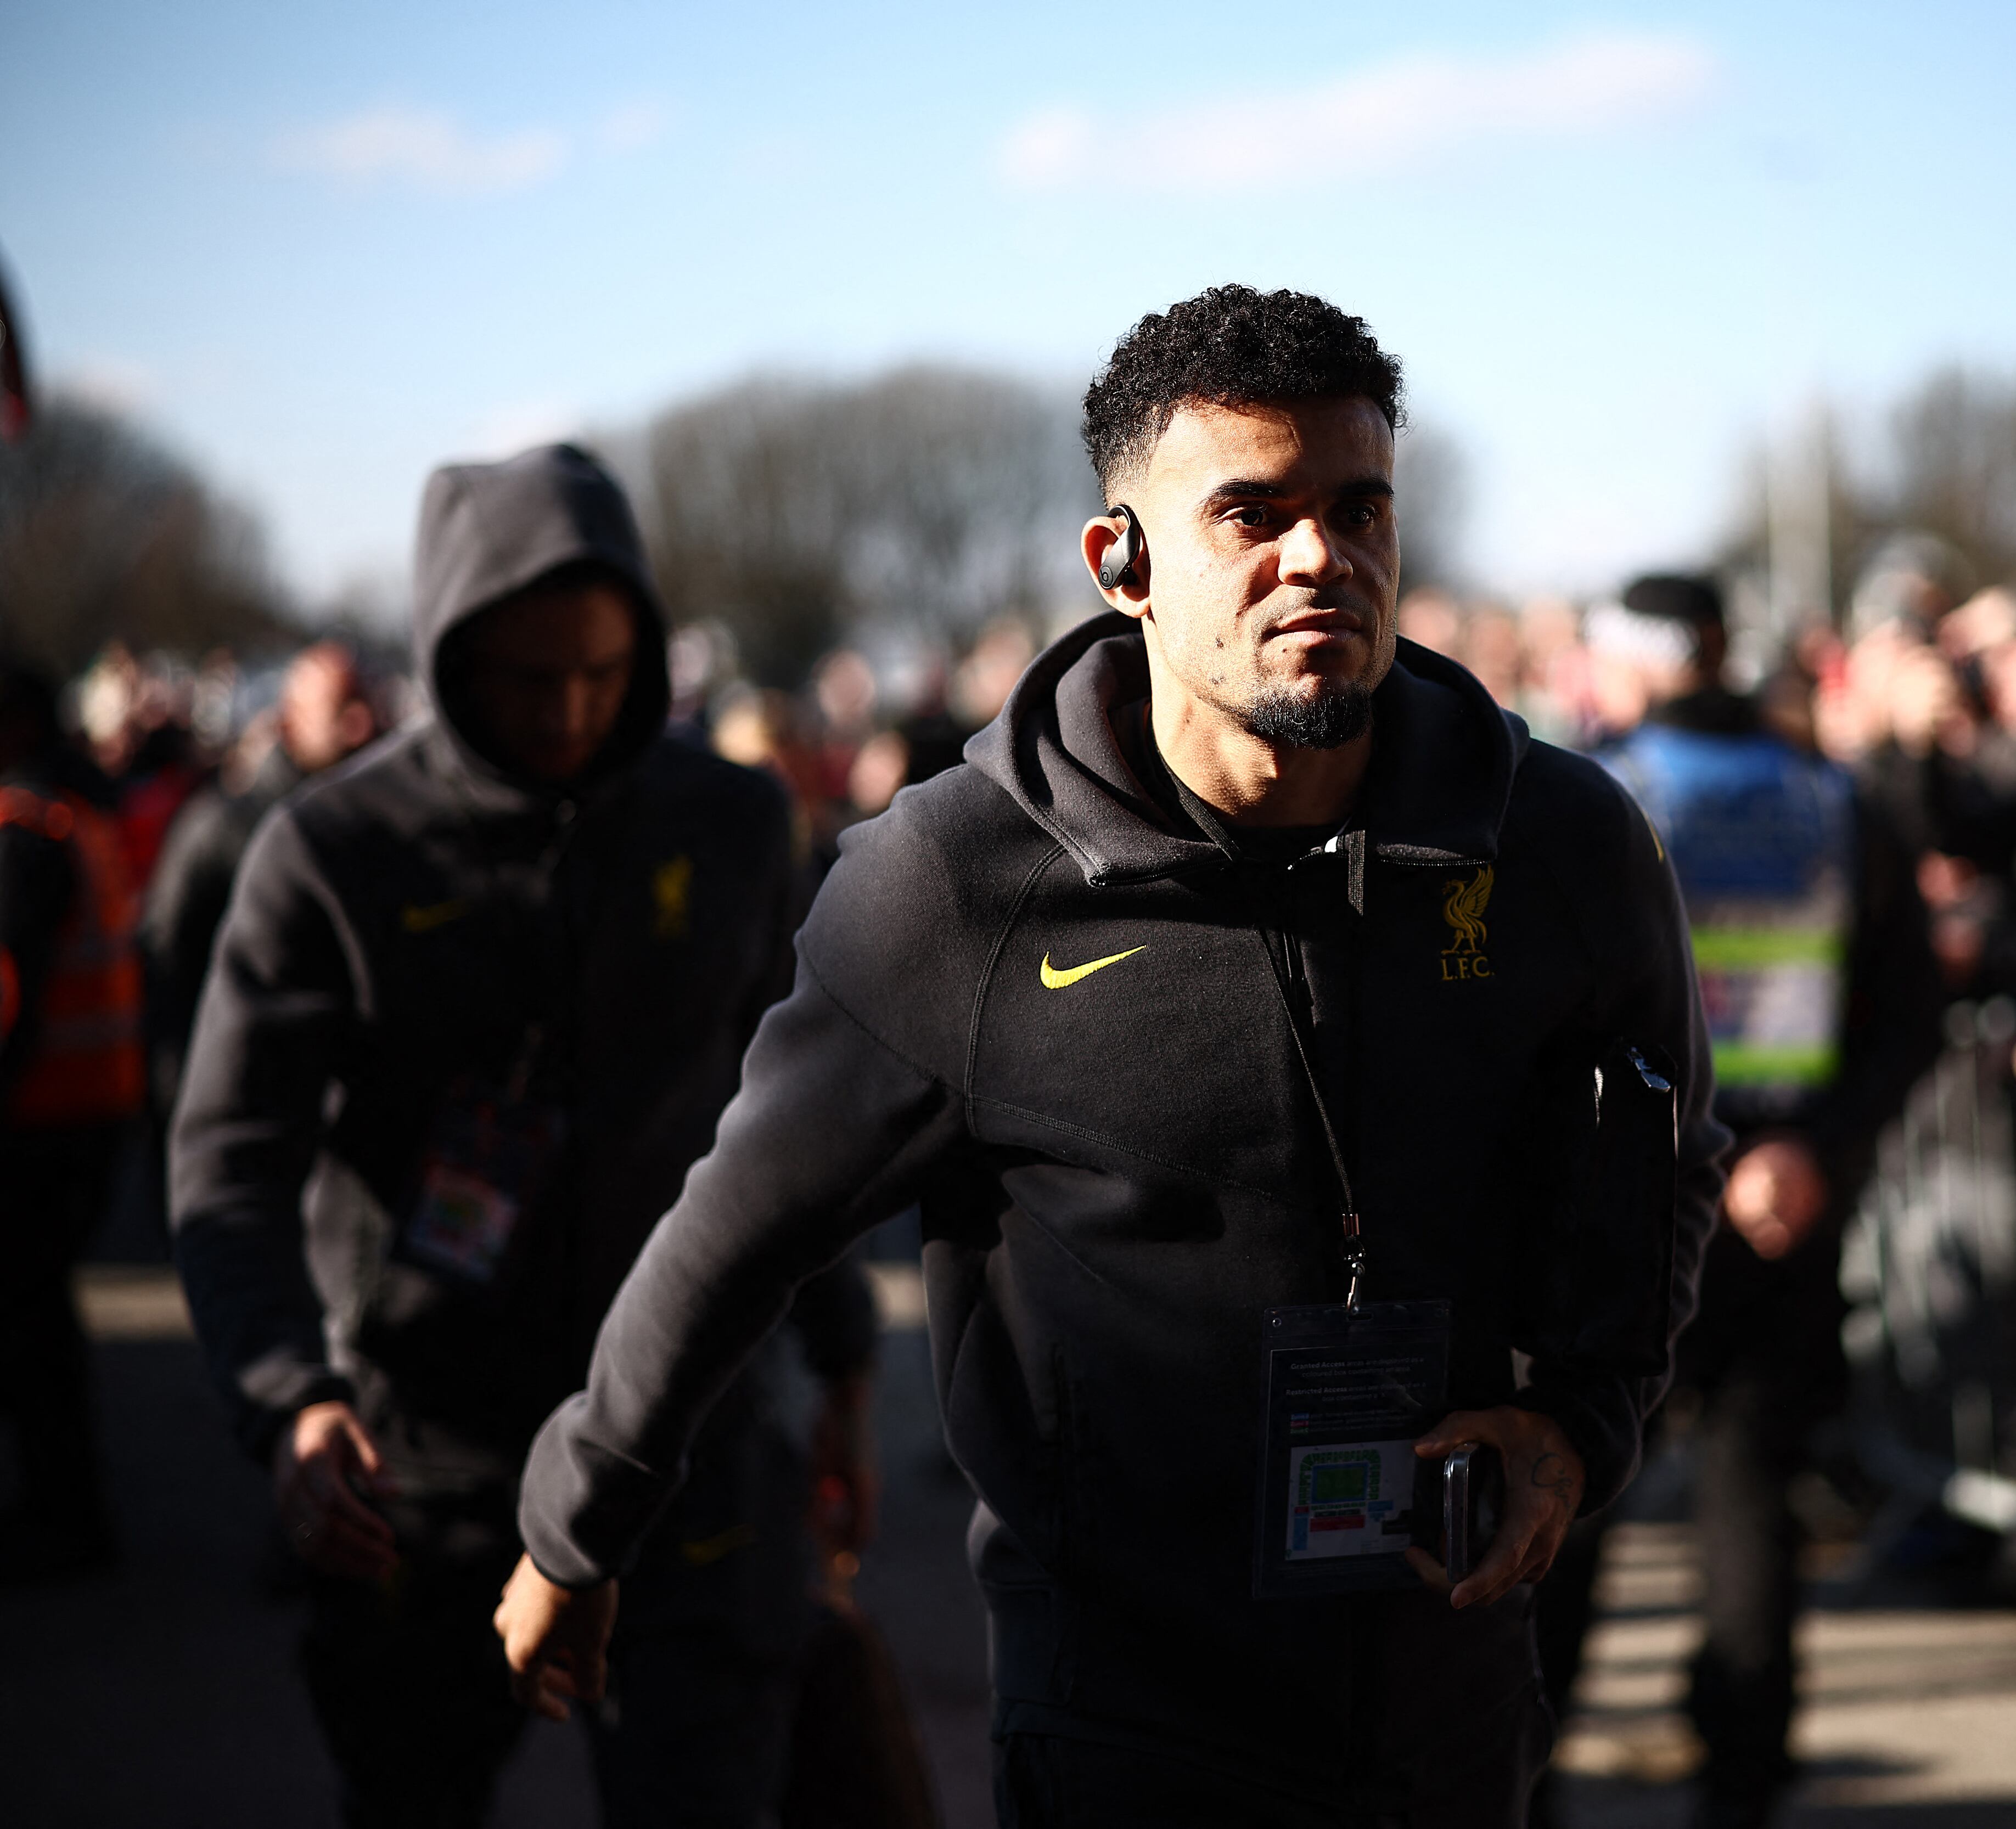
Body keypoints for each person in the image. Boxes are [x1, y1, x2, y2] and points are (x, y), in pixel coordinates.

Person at [495, 286, 1726, 1827]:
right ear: (1123, 561)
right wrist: (577, 1522)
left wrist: (1580, 1428)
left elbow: (1671, 1157)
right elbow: (737, 1230)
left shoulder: (1558, 842)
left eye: (1358, 507)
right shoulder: (952, 885)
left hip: (1450, 1693)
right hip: (1125, 1722)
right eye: (1251, 512)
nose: (1318, 557)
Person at [169, 444, 878, 1829]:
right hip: (423, 1472)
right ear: (447, 657)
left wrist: (842, 1367)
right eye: (525, 676)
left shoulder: (730, 823)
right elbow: (229, 1162)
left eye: (603, 673)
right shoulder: (330, 855)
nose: (568, 709)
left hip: (692, 1448)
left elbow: (800, 1130)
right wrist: (287, 1399)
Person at [1536, 576, 1939, 1827]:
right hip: (1781, 1204)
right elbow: (1905, 1013)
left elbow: (1535, 1022)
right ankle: (1746, 1779)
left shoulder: (1583, 798)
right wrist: (1812, 1148)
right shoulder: (1837, 801)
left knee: (1571, 1491)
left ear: (1644, 661)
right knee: (1749, 1497)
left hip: (1620, 1208)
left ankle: (1524, 1774)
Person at [0, 658, 143, 1582]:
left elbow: (9, 996)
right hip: (91, 1113)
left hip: (38, 1124)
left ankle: (66, 1518)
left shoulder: (17, 833)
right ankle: (67, 1509)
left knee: (31, 1329)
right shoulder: (73, 816)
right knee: (41, 1322)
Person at [139, 641, 383, 1121]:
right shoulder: (221, 828)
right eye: (342, 708)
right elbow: (167, 958)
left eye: (366, 703)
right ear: (291, 721)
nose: (363, 725)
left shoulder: (378, 828)